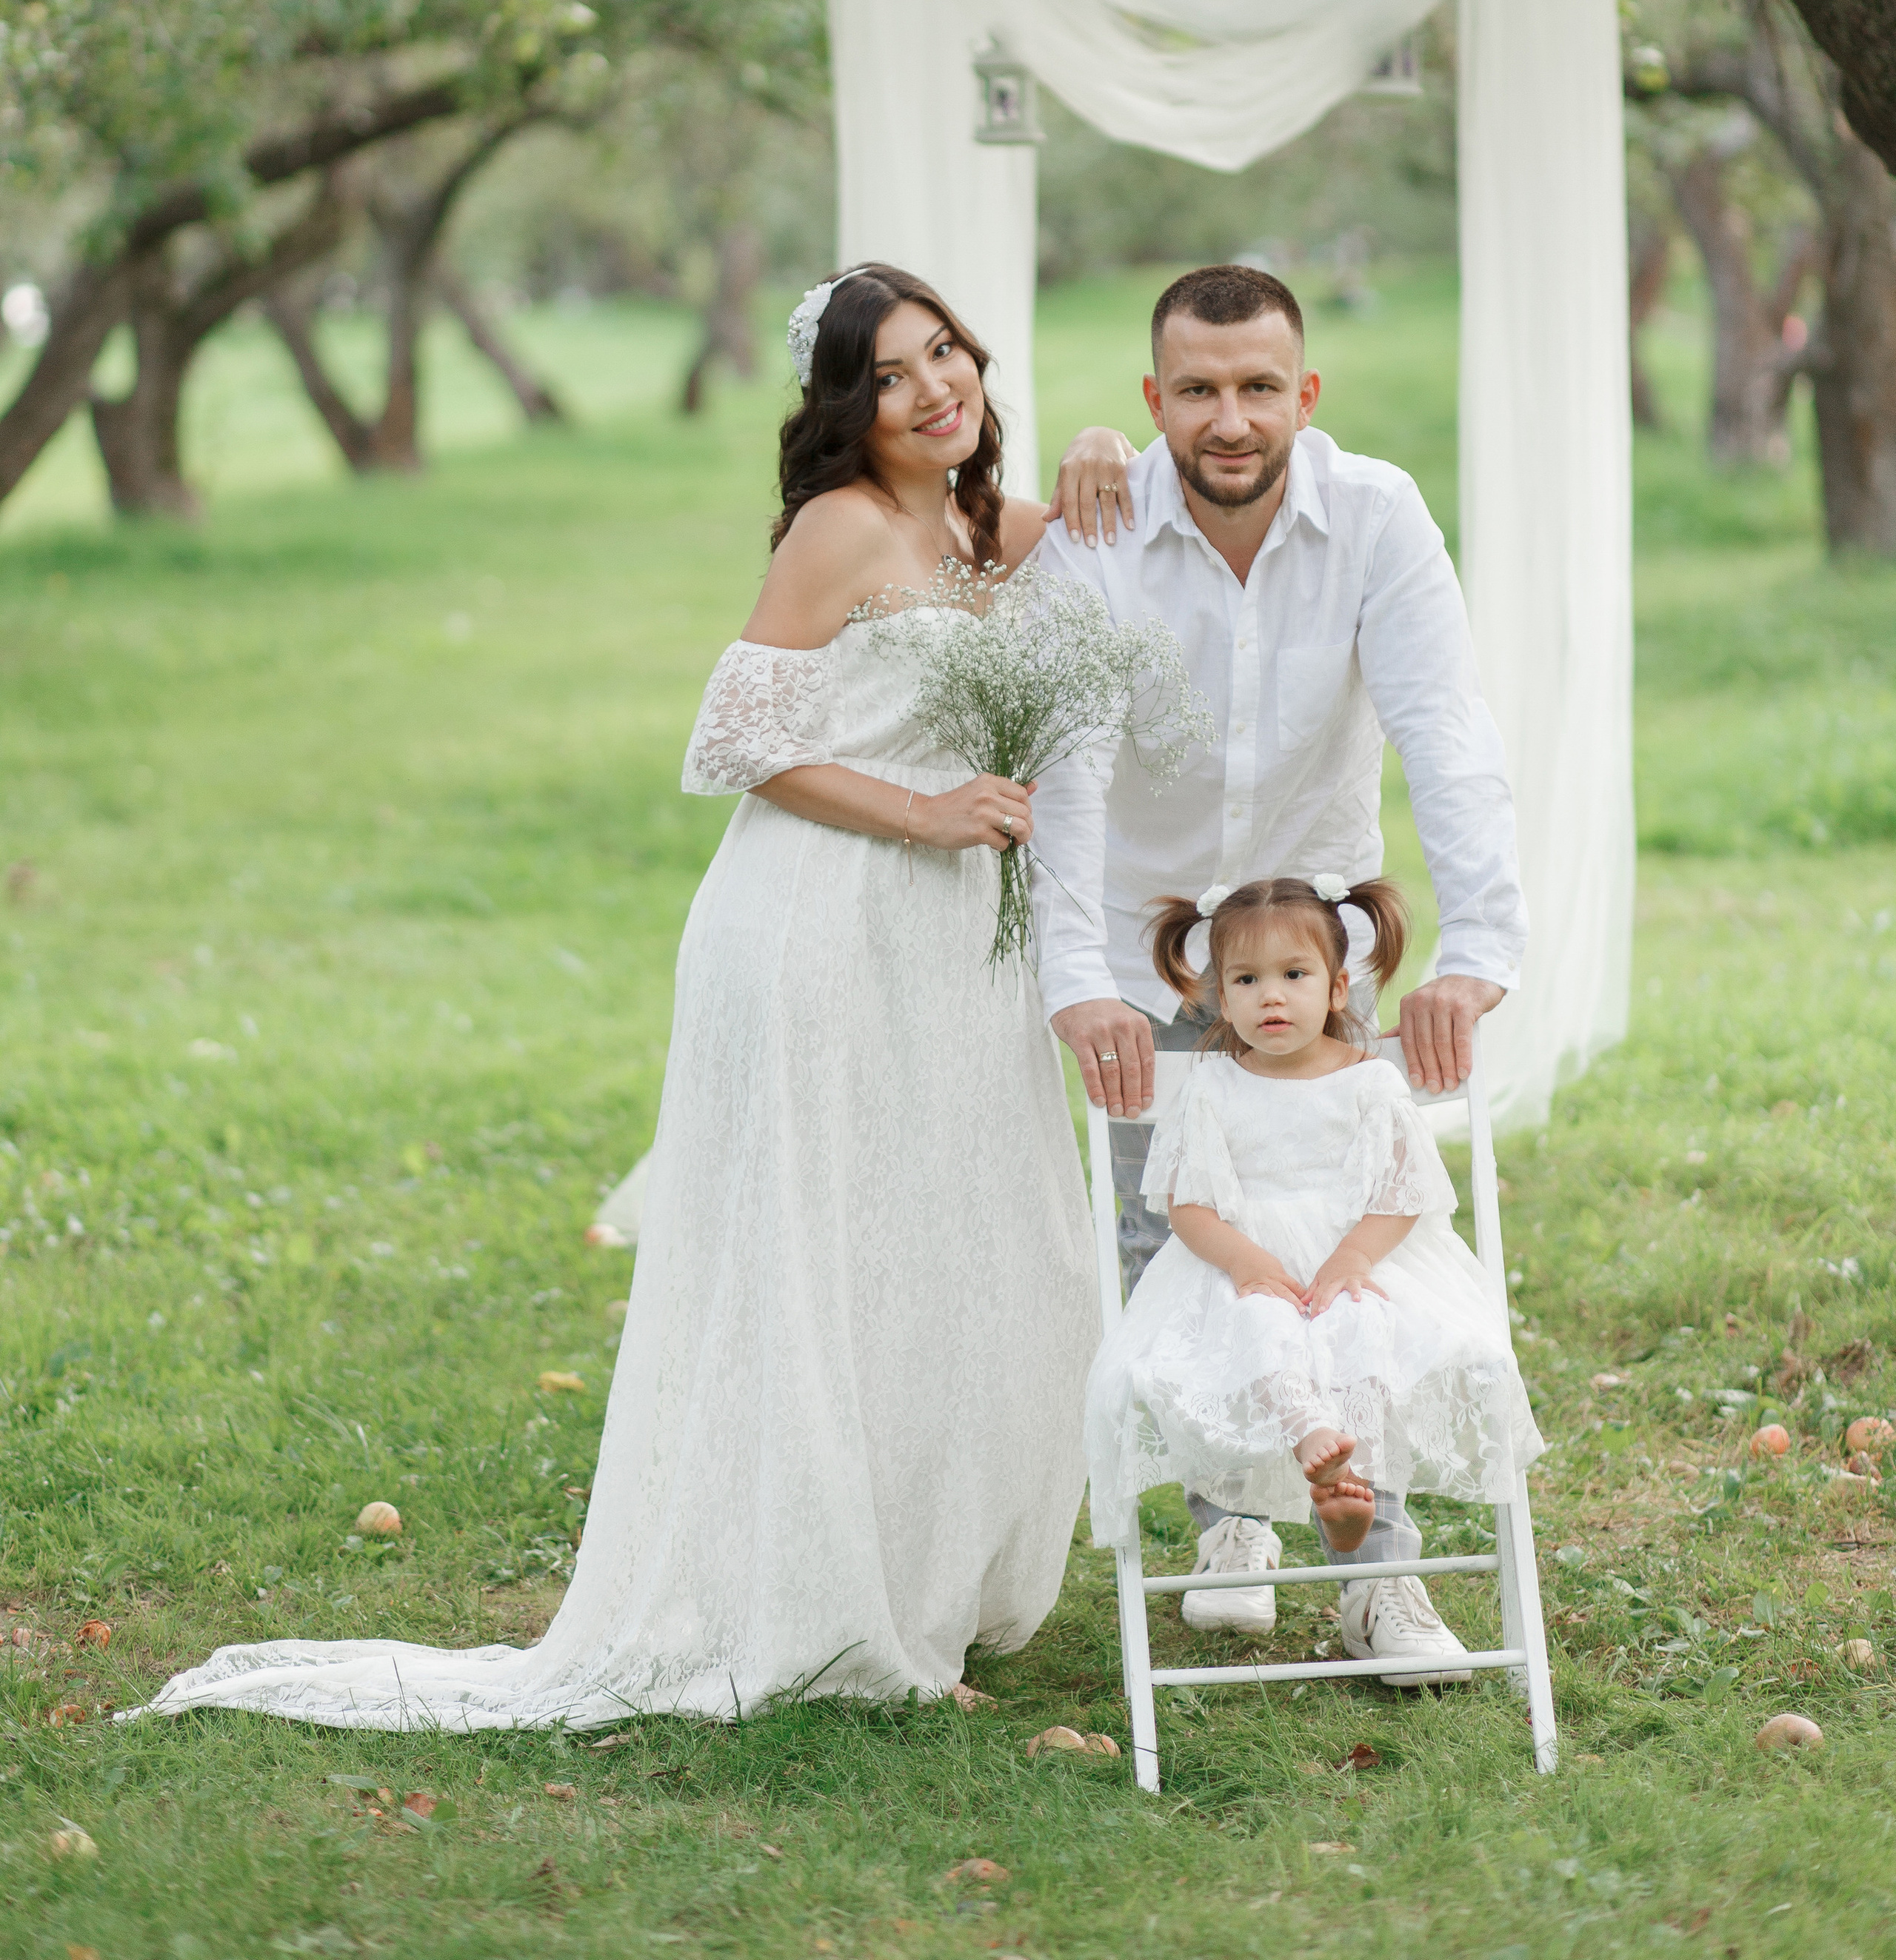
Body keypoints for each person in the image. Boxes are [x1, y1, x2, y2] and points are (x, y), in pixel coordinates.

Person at [130, 264, 1095, 1730]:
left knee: (933, 1245)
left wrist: (1106, 458)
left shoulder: (979, 525)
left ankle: (919, 1577)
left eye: (944, 352)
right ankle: (817, 1607)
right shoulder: (839, 528)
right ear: (846, 407)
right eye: (892, 374)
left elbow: (1124, 540)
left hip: (950, 947)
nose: (935, 387)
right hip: (819, 923)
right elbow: (737, 743)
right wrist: (927, 817)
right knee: (816, 1252)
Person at [1031, 261, 1528, 1682]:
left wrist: (1478, 951)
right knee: (1172, 1242)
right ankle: (1231, 1516)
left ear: (1306, 395)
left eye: (1259, 388)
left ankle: (1381, 1578)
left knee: (1355, 1240)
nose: (1230, 418)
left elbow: (1448, 732)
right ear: (1154, 402)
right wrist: (1080, 981)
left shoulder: (1377, 516)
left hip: (1312, 953)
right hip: (1145, 945)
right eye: (1199, 390)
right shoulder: (1097, 535)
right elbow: (1066, 782)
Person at [1084, 874, 1543, 1582]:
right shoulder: (1213, 1086)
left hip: (1352, 1265)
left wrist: (1355, 1259)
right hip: (1248, 1265)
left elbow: (1403, 1191)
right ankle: (1313, 1449)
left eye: (1294, 975)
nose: (1271, 995)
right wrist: (1242, 1263)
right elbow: (1188, 1205)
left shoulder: (1370, 1082)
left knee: (1361, 1326)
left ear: (1336, 989)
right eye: (1246, 979)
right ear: (1220, 996)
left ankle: (1349, 1493)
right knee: (1256, 1325)